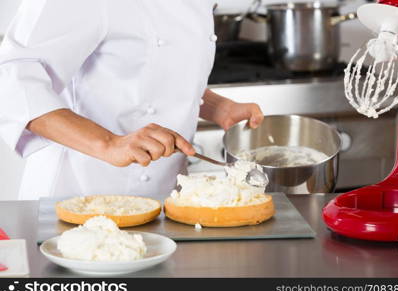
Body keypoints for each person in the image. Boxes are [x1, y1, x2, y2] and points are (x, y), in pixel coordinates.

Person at [0, 0, 264, 200]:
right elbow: (12, 81)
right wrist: (109, 143)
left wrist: (217, 107)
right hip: (79, 193)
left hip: (164, 196)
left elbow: (146, 71)